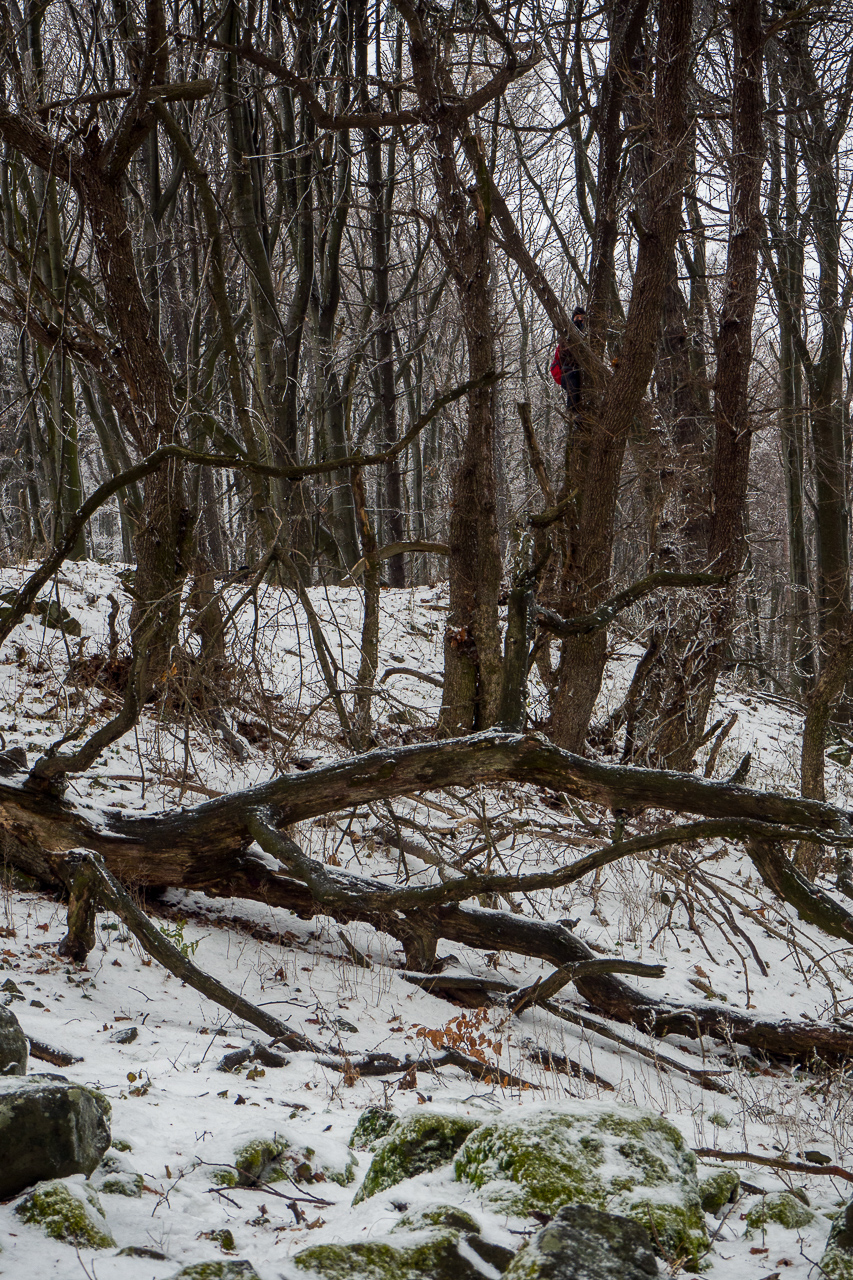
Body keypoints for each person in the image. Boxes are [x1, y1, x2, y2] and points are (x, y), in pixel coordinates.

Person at [550, 307, 586, 412]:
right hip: (568, 371)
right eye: (577, 317)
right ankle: (573, 414)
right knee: (573, 389)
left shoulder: (586, 334)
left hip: (577, 371)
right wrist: (575, 332)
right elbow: (566, 350)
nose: (579, 320)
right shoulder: (566, 335)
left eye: (582, 318)